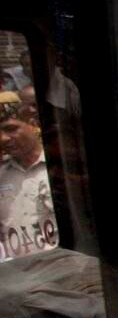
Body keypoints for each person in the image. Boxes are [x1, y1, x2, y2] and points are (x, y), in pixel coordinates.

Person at [0, 102, 54, 260]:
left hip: (63, 265)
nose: (3, 138)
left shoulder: (60, 167)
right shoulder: (2, 175)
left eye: (11, 129)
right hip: (19, 269)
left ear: (33, 124)